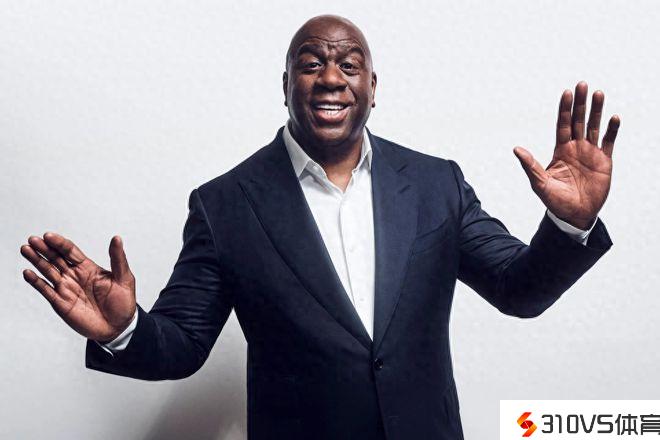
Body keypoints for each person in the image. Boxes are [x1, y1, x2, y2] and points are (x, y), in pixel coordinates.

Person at [19, 14, 618, 440]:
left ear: (372, 89)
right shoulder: (225, 205)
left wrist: (570, 222)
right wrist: (124, 329)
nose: (331, 77)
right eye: (311, 64)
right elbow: (182, 345)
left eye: (349, 65)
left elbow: (519, 290)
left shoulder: (436, 184)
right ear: (286, 87)